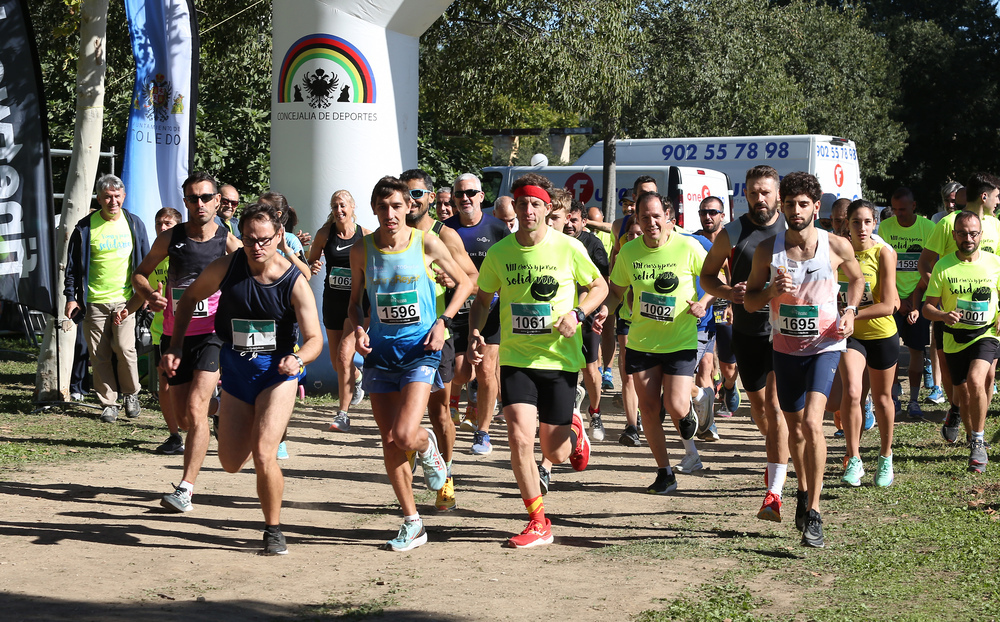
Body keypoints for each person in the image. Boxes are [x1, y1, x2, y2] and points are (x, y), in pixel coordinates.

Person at [160, 199, 322, 554]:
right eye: (250, 239)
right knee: (231, 463)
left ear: (279, 236)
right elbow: (187, 301)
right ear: (241, 237)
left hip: (276, 375)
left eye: (264, 239)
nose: (257, 247)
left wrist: (297, 359)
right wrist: (174, 347)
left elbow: (315, 339)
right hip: (236, 374)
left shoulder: (293, 281)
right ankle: (225, 414)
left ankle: (273, 529)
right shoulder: (225, 267)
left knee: (265, 453)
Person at [470, 173, 606, 548]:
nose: (528, 209)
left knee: (556, 453)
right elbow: (482, 300)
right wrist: (476, 336)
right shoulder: (500, 253)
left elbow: (600, 286)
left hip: (559, 360)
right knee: (517, 439)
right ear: (513, 206)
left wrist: (577, 314)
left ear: (548, 208)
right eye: (522, 203)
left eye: (536, 203)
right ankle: (538, 520)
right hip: (516, 358)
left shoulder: (568, 248)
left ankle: (574, 432)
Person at [351, 176, 471, 551]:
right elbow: (355, 302)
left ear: (409, 207)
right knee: (389, 442)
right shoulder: (362, 250)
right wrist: (358, 329)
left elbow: (465, 283)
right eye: (383, 207)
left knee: (405, 434)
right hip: (380, 355)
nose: (390, 213)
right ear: (374, 209)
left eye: (397, 206)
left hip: (421, 350)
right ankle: (412, 522)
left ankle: (427, 446)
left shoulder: (426, 242)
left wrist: (443, 321)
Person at [745, 171, 863, 548]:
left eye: (802, 204)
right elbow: (747, 301)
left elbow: (858, 280)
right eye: (789, 204)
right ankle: (801, 491)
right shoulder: (768, 249)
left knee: (814, 423)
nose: (795, 210)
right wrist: (769, 291)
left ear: (816, 206)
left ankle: (814, 511)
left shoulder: (836, 245)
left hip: (825, 345)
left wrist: (851, 312)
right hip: (785, 349)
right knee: (795, 430)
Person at [132, 171, 242, 512]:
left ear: (217, 201)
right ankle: (223, 409)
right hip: (175, 334)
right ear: (186, 202)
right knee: (183, 417)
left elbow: (253, 279)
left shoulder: (228, 242)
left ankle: (185, 488)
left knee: (195, 409)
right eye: (193, 199)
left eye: (206, 197)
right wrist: (149, 294)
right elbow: (139, 272)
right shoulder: (172, 238)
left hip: (213, 334)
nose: (200, 204)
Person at [701, 165, 791, 524]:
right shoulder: (732, 234)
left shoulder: (793, 230)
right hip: (748, 332)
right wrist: (727, 292)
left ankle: (776, 488)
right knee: (760, 410)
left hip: (784, 334)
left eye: (766, 193)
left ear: (778, 196)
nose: (760, 199)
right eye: (753, 193)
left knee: (776, 405)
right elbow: (706, 277)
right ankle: (779, 452)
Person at [606, 191, 711, 490]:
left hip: (679, 338)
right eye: (644, 217)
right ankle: (665, 473)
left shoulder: (688, 246)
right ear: (636, 219)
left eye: (656, 216)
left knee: (675, 403)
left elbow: (715, 280)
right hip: (641, 340)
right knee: (649, 409)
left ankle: (692, 408)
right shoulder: (629, 252)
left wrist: (705, 302)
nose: (651, 223)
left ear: (668, 217)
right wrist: (604, 311)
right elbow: (616, 291)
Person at [400, 168, 479, 512]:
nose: (410, 201)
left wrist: (451, 280)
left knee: (439, 412)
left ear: (431, 198)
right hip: (398, 336)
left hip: (435, 334)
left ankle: (446, 473)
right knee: (399, 415)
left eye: (417, 194)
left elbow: (474, 278)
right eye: (405, 194)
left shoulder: (443, 235)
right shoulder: (391, 234)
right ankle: (410, 473)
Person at [918, 173, 1000, 444]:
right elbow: (925, 263)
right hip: (950, 312)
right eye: (997, 196)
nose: (998, 202)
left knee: (985, 377)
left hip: (987, 319)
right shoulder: (946, 224)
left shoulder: (996, 226)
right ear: (985, 196)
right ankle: (955, 408)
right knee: (958, 384)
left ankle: (976, 436)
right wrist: (940, 296)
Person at [64, 173, 150, 423]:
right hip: (94, 301)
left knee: (125, 349)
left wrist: (144, 293)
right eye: (107, 197)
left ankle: (131, 394)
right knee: (99, 354)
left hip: (126, 301)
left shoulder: (134, 223)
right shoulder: (84, 227)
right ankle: (108, 403)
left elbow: (145, 262)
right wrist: (72, 297)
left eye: (117, 197)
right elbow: (71, 269)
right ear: (99, 199)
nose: (113, 202)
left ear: (124, 197)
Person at [444, 173, 510, 455]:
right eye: (459, 194)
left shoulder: (497, 229)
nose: (465, 198)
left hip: (490, 310)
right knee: (460, 372)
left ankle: (483, 432)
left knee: (486, 369)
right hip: (456, 310)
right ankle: (460, 399)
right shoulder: (444, 230)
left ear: (482, 196)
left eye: (471, 193)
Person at [836, 200, 899, 487]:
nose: (861, 228)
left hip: (882, 334)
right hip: (851, 336)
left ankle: (886, 458)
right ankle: (854, 458)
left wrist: (851, 312)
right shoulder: (837, 251)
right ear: (846, 224)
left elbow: (888, 305)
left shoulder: (884, 253)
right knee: (852, 392)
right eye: (855, 222)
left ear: (874, 223)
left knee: (883, 398)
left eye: (866, 222)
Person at [308, 190, 372, 431]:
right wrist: (311, 264)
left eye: (343, 205)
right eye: (335, 206)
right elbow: (311, 260)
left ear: (353, 207)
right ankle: (356, 377)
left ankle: (342, 415)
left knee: (345, 355)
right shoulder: (325, 234)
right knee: (338, 363)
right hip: (332, 302)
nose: (339, 210)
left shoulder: (365, 235)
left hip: (356, 304)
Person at [879, 188, 938, 416]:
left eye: (902, 209)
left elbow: (930, 267)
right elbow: (885, 268)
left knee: (916, 350)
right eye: (894, 210)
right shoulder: (886, 227)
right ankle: (894, 397)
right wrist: (897, 299)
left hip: (920, 298)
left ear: (914, 206)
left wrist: (914, 303)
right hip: (892, 299)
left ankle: (914, 399)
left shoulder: (928, 228)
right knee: (891, 350)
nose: (898, 214)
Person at [563, 199, 610, 441]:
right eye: (566, 219)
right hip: (559, 317)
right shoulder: (553, 242)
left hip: (586, 314)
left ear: (584, 221)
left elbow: (601, 283)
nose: (569, 225)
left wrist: (596, 309)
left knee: (590, 368)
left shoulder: (592, 244)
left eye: (574, 220)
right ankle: (565, 415)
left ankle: (596, 413)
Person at [696, 197, 740, 419]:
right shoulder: (694, 240)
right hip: (703, 308)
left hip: (724, 306)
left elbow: (733, 276)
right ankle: (706, 417)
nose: (708, 216)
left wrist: (732, 304)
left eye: (713, 212)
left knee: (728, 365)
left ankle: (730, 386)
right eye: (703, 212)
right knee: (705, 361)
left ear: (723, 215)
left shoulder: (732, 241)